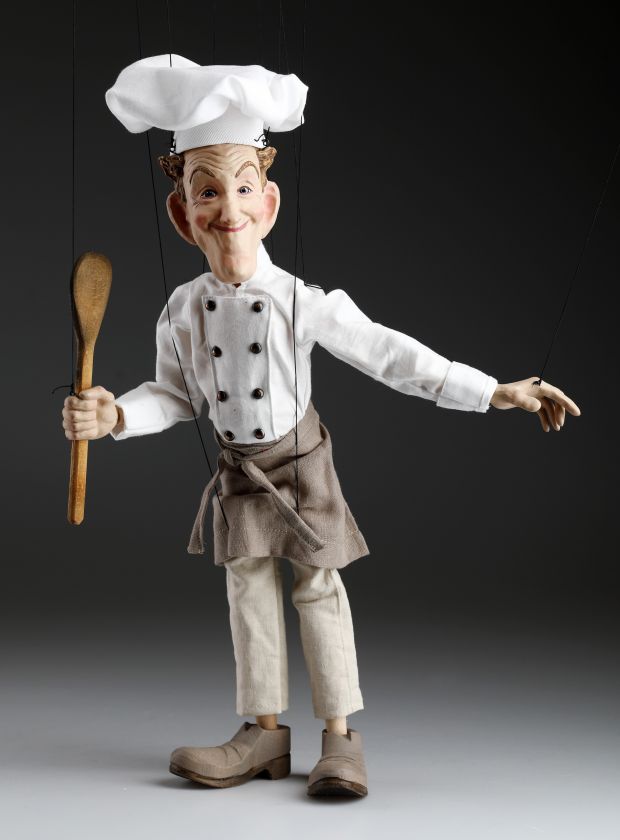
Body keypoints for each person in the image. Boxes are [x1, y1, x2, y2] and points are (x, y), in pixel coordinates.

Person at [61, 55, 581, 797]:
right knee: (247, 594)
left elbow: (389, 354)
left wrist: (490, 391)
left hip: (301, 463)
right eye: (207, 190)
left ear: (269, 203)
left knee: (319, 591)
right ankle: (262, 735)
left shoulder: (302, 301)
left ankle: (341, 739)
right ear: (182, 213)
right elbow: (174, 397)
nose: (228, 209)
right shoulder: (179, 311)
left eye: (243, 187)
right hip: (237, 470)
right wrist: (115, 414)